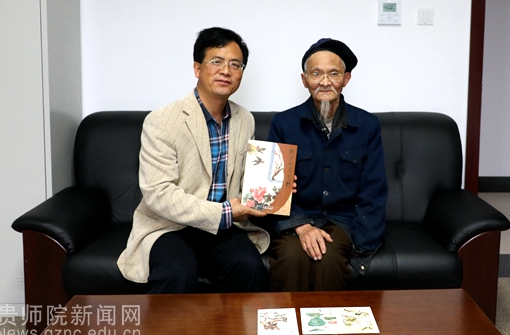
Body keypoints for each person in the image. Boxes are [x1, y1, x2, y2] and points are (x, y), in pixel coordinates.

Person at [117, 27, 270, 293]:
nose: (226, 71)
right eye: (216, 62)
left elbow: (250, 179)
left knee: (249, 265)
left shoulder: (245, 119)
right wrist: (224, 212)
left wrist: (274, 184)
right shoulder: (162, 120)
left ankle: (231, 324)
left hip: (223, 228)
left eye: (235, 64)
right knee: (177, 272)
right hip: (169, 226)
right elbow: (158, 193)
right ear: (197, 68)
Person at [266, 38, 388, 291]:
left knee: (327, 257)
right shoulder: (283, 124)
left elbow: (374, 189)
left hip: (342, 222)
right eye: (316, 74)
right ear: (304, 80)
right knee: (291, 257)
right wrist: (301, 226)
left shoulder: (367, 125)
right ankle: (285, 318)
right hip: (295, 221)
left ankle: (326, 320)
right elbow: (273, 191)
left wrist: (363, 244)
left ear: (346, 79)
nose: (325, 82)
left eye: (333, 74)